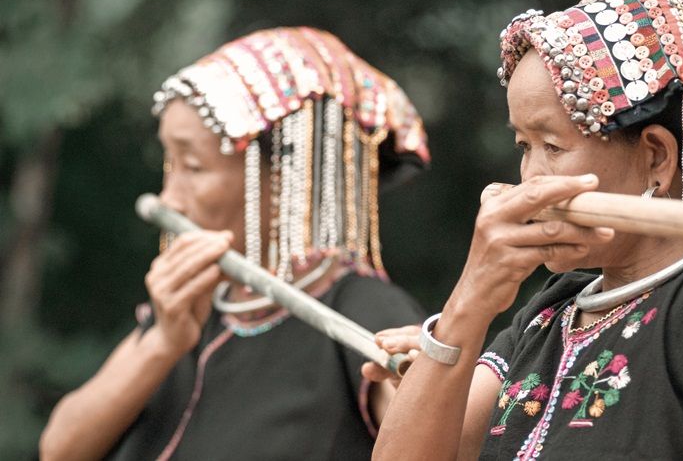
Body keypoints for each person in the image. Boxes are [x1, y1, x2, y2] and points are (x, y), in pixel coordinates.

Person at [369, 0, 683, 460]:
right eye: (524, 146)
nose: (530, 179)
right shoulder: (548, 316)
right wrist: (467, 307)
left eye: (553, 146)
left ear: (655, 158)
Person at [40, 27, 430, 461]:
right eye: (170, 164)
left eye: (193, 166)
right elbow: (59, 450)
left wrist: (425, 386)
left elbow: (427, 442)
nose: (168, 199)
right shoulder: (191, 303)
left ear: (285, 176)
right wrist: (163, 342)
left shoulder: (364, 307)